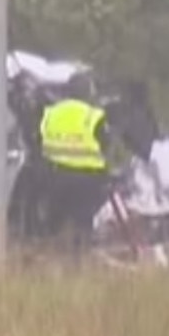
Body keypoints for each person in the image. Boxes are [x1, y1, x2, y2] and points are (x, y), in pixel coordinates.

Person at [35, 78, 120, 254]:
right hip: (86, 179)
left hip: (56, 177)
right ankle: (77, 261)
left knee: (53, 223)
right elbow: (105, 143)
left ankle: (47, 256)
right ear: (87, 93)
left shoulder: (52, 113)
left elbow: (39, 140)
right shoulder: (92, 115)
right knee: (82, 224)